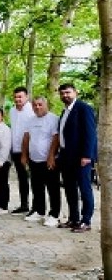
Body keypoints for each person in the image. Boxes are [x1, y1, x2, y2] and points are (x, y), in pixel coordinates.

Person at [52, 83, 97, 233]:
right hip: (66, 156)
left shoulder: (84, 108)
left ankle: (86, 221)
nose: (65, 95)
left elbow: (90, 133)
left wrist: (87, 155)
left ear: (75, 92)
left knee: (84, 189)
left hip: (81, 157)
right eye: (62, 93)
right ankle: (74, 219)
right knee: (70, 189)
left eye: (68, 92)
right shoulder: (64, 111)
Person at [22, 97, 61, 226]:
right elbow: (26, 137)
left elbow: (56, 138)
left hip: (49, 160)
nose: (37, 107)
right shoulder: (30, 120)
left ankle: (54, 215)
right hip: (34, 160)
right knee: (37, 187)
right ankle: (39, 211)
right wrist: (24, 155)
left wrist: (51, 156)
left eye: (40, 104)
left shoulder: (53, 119)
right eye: (35, 105)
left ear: (46, 105)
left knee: (53, 188)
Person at [9, 87, 34, 215]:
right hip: (16, 149)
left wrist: (26, 152)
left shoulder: (32, 110)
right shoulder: (12, 110)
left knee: (35, 179)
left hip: (30, 150)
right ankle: (24, 204)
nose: (17, 99)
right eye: (15, 97)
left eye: (20, 97)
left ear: (26, 97)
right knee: (22, 178)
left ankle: (37, 207)